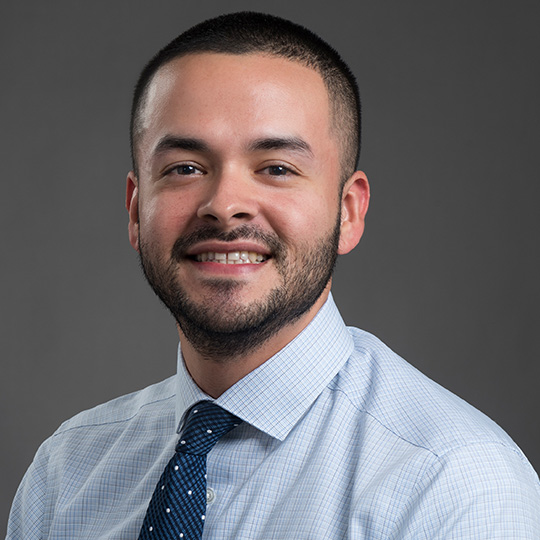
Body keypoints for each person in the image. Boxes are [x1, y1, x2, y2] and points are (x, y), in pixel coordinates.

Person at [7, 11, 540, 539]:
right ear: (135, 208)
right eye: (185, 169)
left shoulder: (452, 485)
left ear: (348, 212)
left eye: (277, 168)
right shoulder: (65, 475)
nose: (224, 205)